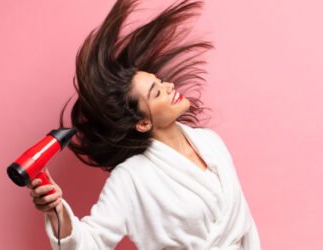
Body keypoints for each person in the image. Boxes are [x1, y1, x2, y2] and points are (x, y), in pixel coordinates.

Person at [26, 0, 261, 249]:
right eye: (156, 92)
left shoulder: (212, 143)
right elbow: (91, 242)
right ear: (142, 122)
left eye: (160, 81)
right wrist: (56, 211)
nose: (169, 86)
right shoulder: (130, 178)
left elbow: (246, 223)